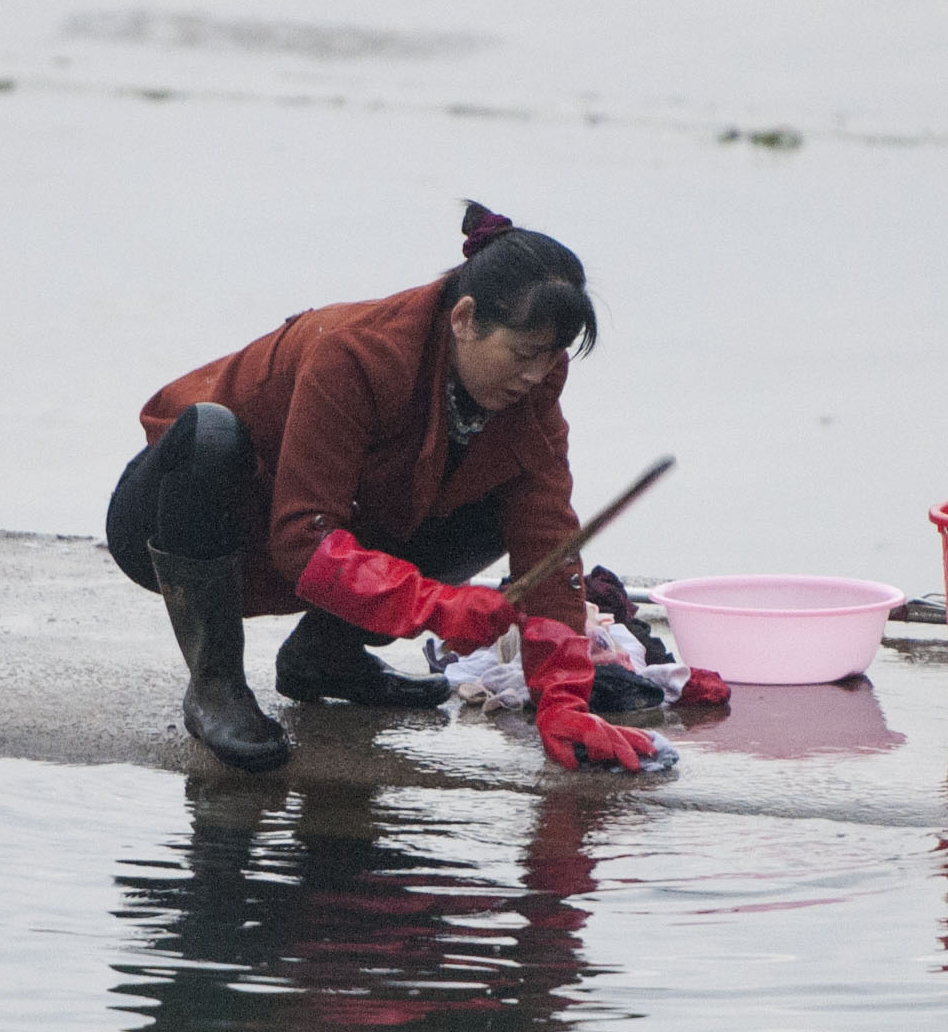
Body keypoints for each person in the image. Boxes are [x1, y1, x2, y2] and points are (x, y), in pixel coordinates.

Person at [108, 203, 668, 776]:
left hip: (319, 538)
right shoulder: (353, 353)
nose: (535, 375)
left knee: (494, 504)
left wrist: (563, 700)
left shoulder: (532, 392)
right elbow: (303, 539)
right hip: (186, 519)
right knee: (211, 437)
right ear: (465, 319)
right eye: (523, 354)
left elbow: (547, 543)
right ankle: (215, 685)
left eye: (552, 357)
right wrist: (436, 603)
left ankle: (327, 657)